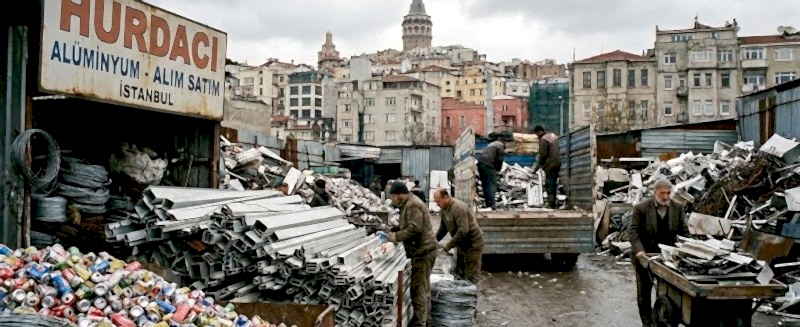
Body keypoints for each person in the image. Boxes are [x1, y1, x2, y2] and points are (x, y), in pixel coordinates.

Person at [629, 179, 690, 327]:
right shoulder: (641, 208)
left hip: (667, 256)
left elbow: (684, 232)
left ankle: (662, 318)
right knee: (644, 291)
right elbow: (632, 232)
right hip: (645, 254)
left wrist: (688, 248)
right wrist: (639, 251)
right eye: (662, 193)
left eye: (668, 193)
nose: (665, 196)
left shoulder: (677, 207)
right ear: (654, 192)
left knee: (667, 290)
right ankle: (647, 322)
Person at [385, 181, 436, 327]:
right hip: (422, 250)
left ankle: (420, 323)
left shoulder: (413, 205)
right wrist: (395, 229)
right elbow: (409, 225)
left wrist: (396, 237)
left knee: (418, 289)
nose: (394, 199)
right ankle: (426, 319)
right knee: (423, 287)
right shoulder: (408, 204)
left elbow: (415, 228)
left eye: (395, 196)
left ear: (401, 194)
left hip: (423, 251)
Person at [433, 188, 484, 283]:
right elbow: (443, 228)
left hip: (472, 243)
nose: (437, 204)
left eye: (438, 201)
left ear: (446, 197)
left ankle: (471, 294)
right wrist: (433, 241)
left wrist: (448, 246)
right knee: (459, 271)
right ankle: (461, 294)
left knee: (471, 274)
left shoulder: (458, 208)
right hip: (461, 243)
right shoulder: (444, 210)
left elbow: (463, 230)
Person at [533, 125, 562, 209]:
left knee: (549, 184)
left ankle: (551, 204)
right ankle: (553, 202)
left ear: (538, 132)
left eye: (536, 133)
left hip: (550, 165)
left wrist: (536, 168)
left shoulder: (543, 140)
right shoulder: (552, 137)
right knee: (553, 183)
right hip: (557, 163)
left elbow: (542, 155)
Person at [477, 134, 507, 208]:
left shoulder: (492, 144)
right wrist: (498, 171)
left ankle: (488, 203)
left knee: (485, 184)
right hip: (489, 165)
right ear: (503, 141)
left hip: (481, 164)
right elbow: (499, 159)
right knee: (491, 184)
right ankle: (492, 204)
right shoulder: (500, 145)